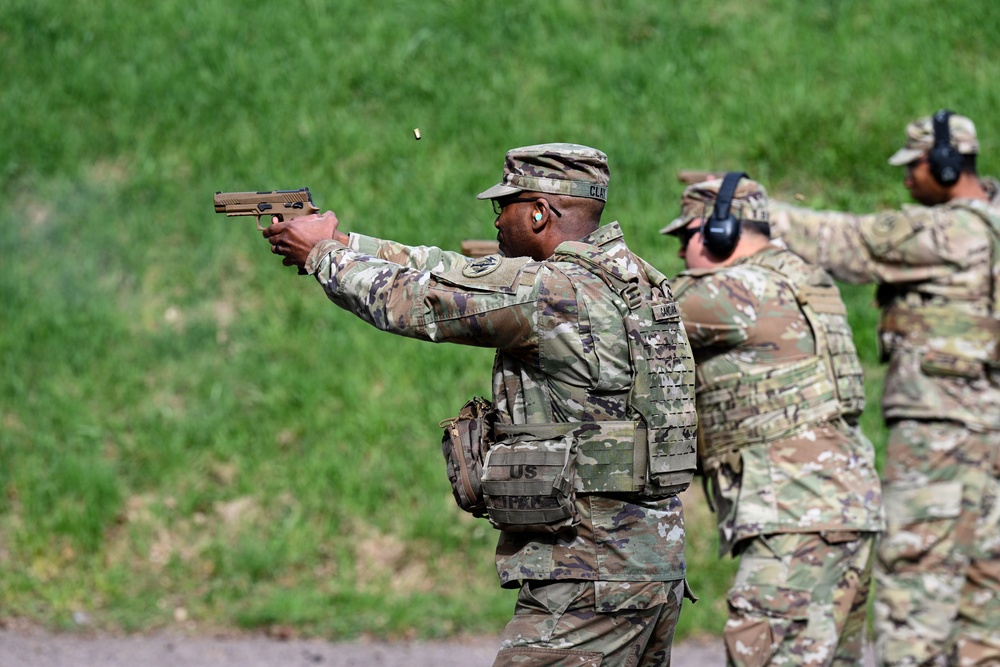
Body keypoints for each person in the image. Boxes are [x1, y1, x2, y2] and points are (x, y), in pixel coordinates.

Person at [262, 143, 700, 667]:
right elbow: (453, 271)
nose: (495, 221)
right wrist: (344, 240)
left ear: (538, 212)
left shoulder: (548, 293)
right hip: (651, 564)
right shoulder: (638, 284)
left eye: (505, 207)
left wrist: (322, 256)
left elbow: (417, 301)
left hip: (587, 575)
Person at [769, 110, 1000, 666]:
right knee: (984, 599)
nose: (906, 179)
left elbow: (847, 243)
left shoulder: (953, 229)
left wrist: (752, 210)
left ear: (945, 164)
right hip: (989, 437)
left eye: (914, 165)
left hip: (939, 435)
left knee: (913, 588)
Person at [661, 173, 884, 666]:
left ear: (720, 231)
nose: (680, 254)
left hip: (797, 516)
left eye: (685, 237)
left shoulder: (734, 291)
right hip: (843, 511)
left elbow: (626, 317)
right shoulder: (802, 278)